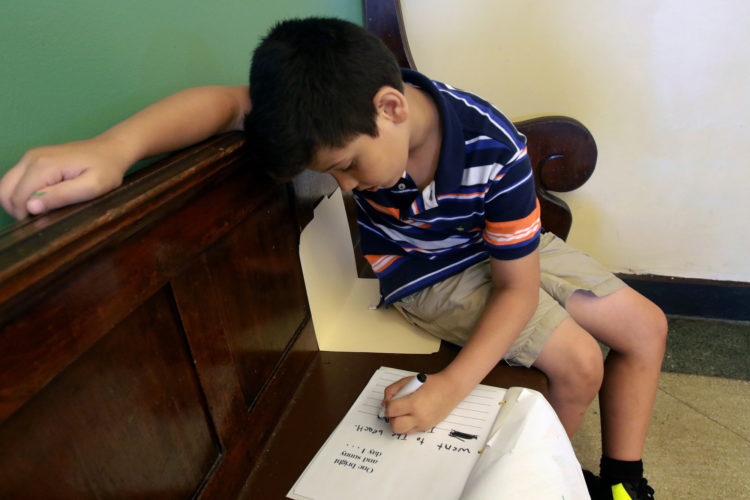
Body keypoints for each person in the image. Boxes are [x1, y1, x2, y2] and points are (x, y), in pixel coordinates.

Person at [0, 17, 665, 500]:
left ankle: (621, 480)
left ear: (392, 107)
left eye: (347, 166)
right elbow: (230, 102)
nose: (346, 188)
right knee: (578, 364)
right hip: (427, 272)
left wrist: (447, 389)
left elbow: (518, 285)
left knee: (647, 327)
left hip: (504, 253)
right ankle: (541, 479)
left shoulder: (492, 146)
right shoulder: (327, 106)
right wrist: (115, 149)